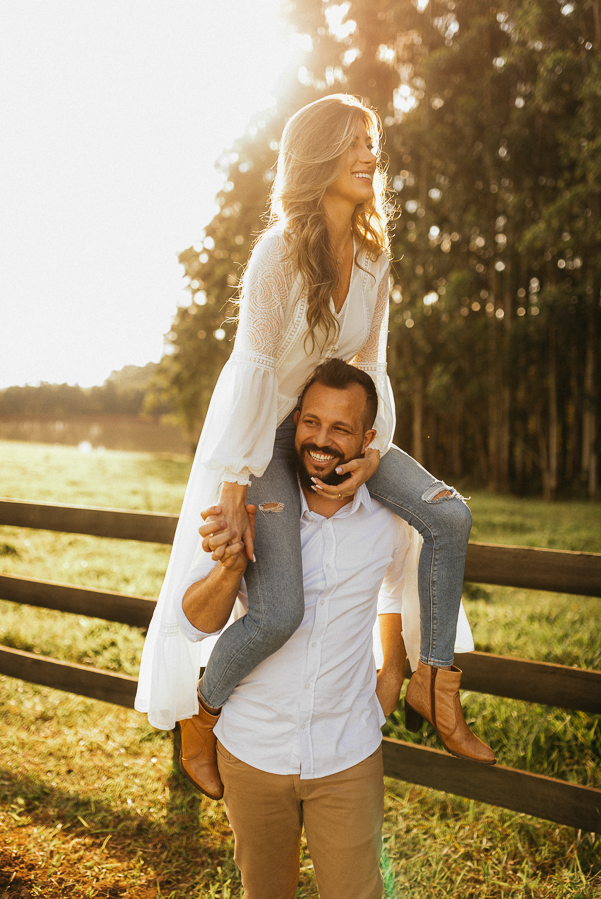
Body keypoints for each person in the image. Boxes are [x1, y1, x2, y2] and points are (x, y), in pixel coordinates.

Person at [135, 93, 494, 775]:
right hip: (262, 434)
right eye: (356, 140)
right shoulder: (276, 253)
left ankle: (433, 684)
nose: (370, 154)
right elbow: (255, 370)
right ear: (318, 154)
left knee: (449, 519)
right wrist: (236, 486)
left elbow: (370, 365)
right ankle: (202, 714)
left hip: (338, 423)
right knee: (278, 612)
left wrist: (373, 449)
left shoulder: (372, 258)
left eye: (372, 142)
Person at [175, 361, 489, 899]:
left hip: (348, 752)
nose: (320, 441)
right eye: (311, 423)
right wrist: (231, 564)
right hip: (252, 748)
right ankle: (197, 722)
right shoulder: (249, 498)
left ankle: (435, 689)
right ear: (294, 420)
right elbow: (193, 621)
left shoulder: (387, 517)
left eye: (340, 429)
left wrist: (392, 672)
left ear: (369, 439)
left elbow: (396, 590)